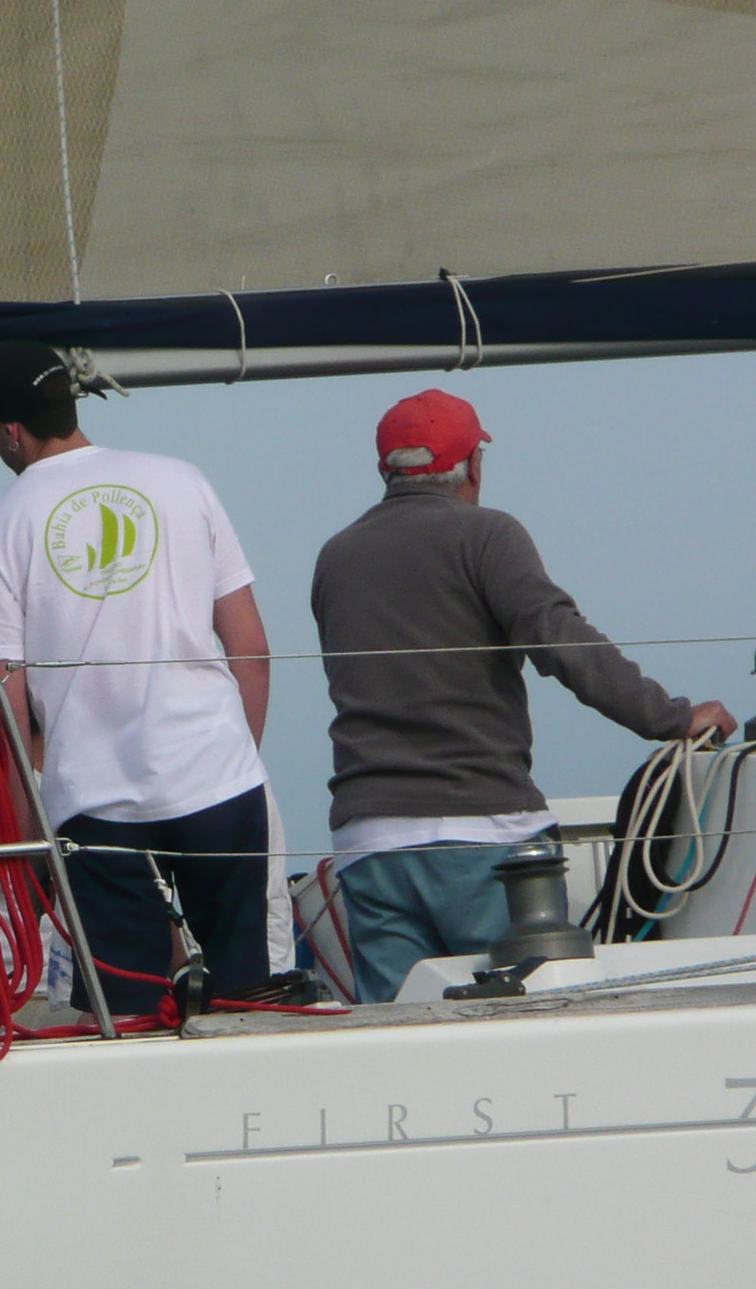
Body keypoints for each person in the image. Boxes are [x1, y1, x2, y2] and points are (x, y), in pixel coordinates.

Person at [311, 388, 738, 1003]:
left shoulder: (336, 556)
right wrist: (669, 718)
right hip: (485, 833)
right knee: (525, 1024)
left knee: (399, 1037)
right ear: (474, 465)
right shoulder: (489, 535)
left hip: (370, 844)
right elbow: (562, 643)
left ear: (386, 469)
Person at [0, 340, 273, 1015]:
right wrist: (236, 759)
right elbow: (250, 647)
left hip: (95, 803)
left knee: (126, 1014)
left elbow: (4, 707)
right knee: (246, 1000)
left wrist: (29, 844)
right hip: (217, 775)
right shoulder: (184, 481)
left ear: (11, 431)